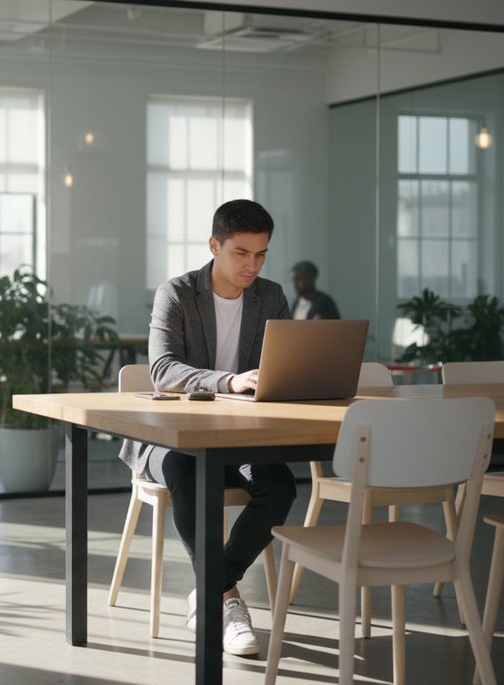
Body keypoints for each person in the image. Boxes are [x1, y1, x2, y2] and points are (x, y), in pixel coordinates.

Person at [117, 199, 298, 656]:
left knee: (280, 486)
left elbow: (281, 366)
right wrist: (230, 381)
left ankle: (214, 590)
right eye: (241, 253)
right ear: (214, 245)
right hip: (169, 437)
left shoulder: (270, 297)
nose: (251, 265)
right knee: (187, 471)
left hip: (241, 436)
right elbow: (162, 369)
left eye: (260, 255)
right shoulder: (177, 293)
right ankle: (228, 602)